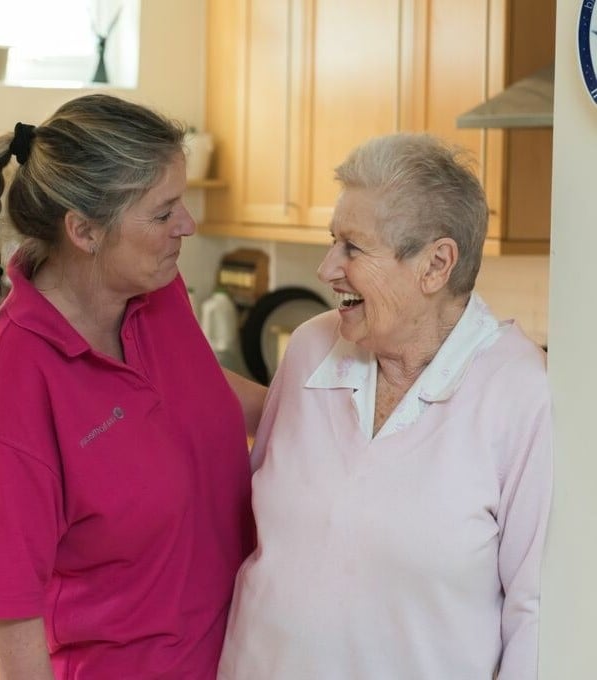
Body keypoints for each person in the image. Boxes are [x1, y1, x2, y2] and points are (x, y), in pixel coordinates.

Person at [218, 133, 553, 680]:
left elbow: (533, 614)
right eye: (333, 242)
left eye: (352, 247)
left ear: (436, 264)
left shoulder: (519, 392)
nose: (327, 269)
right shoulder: (309, 349)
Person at [0, 93, 266, 680]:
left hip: (252, 657)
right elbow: (9, 607)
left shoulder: (156, 291)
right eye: (163, 212)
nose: (188, 226)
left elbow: (199, 390)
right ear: (85, 231)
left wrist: (352, 420)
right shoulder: (16, 380)